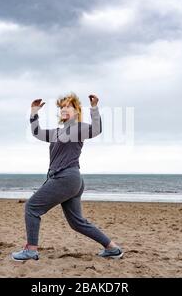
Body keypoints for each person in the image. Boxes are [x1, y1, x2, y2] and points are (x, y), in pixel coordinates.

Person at [11, 92, 123, 261]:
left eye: (69, 106)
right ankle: (112, 248)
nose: (64, 108)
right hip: (70, 180)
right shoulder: (57, 132)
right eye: (62, 106)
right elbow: (37, 133)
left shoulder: (78, 128)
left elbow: (97, 129)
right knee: (77, 222)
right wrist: (34, 113)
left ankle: (31, 251)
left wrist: (94, 108)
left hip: (66, 177)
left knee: (32, 207)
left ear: (77, 111)